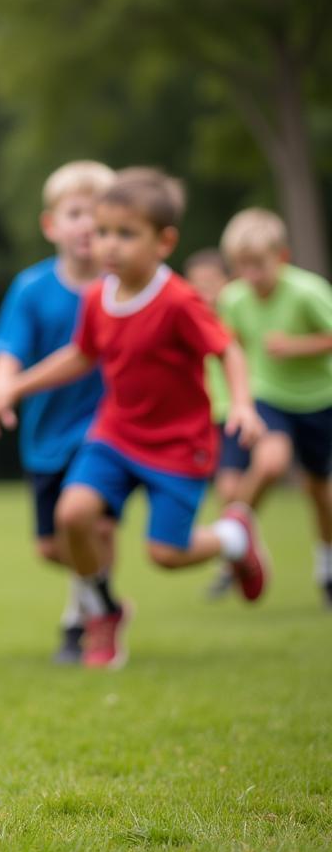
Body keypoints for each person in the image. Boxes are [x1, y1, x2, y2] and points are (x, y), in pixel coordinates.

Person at [0, 168, 268, 669]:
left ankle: (235, 536)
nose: (109, 244)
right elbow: (79, 356)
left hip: (177, 444)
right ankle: (100, 612)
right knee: (72, 516)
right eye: (104, 232)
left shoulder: (178, 300)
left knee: (166, 556)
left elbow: (228, 350)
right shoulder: (96, 298)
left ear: (163, 241)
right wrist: (12, 390)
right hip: (114, 435)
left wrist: (241, 404)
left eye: (126, 234)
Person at [0, 160, 116, 664]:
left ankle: (84, 621)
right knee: (51, 545)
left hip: (108, 429)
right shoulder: (32, 288)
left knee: (92, 523)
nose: (87, 226)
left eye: (100, 217)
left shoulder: (123, 289)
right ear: (51, 225)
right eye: (76, 213)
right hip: (45, 434)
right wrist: (2, 393)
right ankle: (99, 599)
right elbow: (7, 352)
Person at [217, 208, 332, 606]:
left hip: (320, 399)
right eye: (240, 266)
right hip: (268, 395)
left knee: (320, 492)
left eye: (258, 266)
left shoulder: (307, 292)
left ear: (281, 257)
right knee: (270, 463)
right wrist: (237, 399)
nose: (250, 275)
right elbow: (232, 351)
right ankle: (238, 533)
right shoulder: (232, 299)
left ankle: (327, 566)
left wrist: (296, 347)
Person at [184, 248, 249, 599]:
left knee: (229, 488)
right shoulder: (186, 319)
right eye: (196, 285)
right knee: (221, 490)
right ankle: (235, 548)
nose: (204, 292)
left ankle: (234, 549)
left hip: (234, 414)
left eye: (211, 283)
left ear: (228, 282)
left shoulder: (236, 316)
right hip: (201, 420)